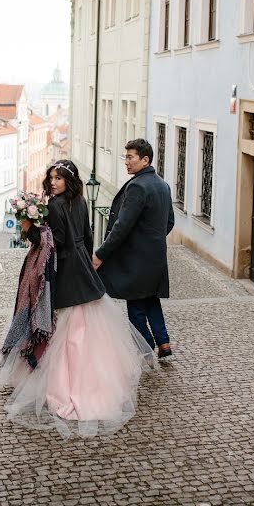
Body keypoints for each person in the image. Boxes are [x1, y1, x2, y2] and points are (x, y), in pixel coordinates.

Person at [0, 159, 154, 439]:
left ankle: (64, 387)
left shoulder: (56, 206)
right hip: (82, 265)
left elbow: (54, 242)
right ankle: (97, 385)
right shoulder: (80, 201)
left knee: (66, 326)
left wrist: (29, 229)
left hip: (66, 269)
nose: (54, 183)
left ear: (68, 181)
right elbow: (87, 235)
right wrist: (90, 260)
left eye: (59, 178)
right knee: (88, 325)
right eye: (52, 178)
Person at [93, 139, 175, 359]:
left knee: (136, 304)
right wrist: (151, 240)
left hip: (136, 259)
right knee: (151, 299)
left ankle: (145, 348)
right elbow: (169, 222)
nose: (126, 162)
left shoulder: (138, 186)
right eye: (126, 157)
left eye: (130, 157)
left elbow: (122, 226)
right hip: (155, 257)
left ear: (145, 159)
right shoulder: (162, 184)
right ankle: (164, 343)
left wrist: (101, 253)